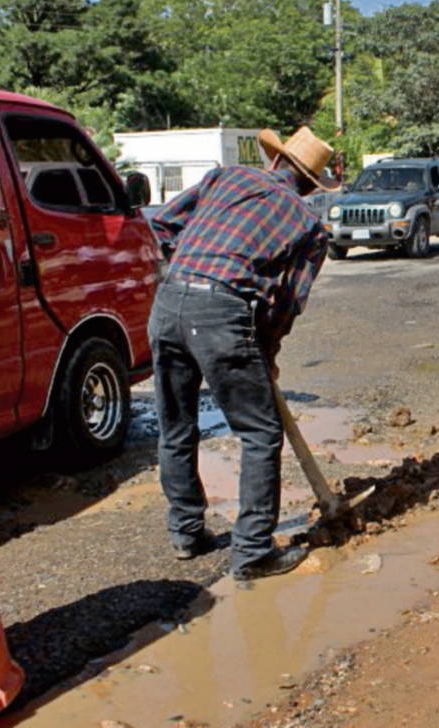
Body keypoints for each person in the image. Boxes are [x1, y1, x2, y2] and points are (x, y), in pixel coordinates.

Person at [149, 126, 337, 581]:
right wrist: (266, 349)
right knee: (259, 432)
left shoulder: (225, 177)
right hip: (220, 314)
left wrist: (188, 269)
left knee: (177, 425)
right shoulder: (310, 226)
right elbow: (288, 303)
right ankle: (252, 552)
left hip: (168, 301)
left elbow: (160, 223)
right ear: (312, 186)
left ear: (274, 161)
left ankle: (186, 534)